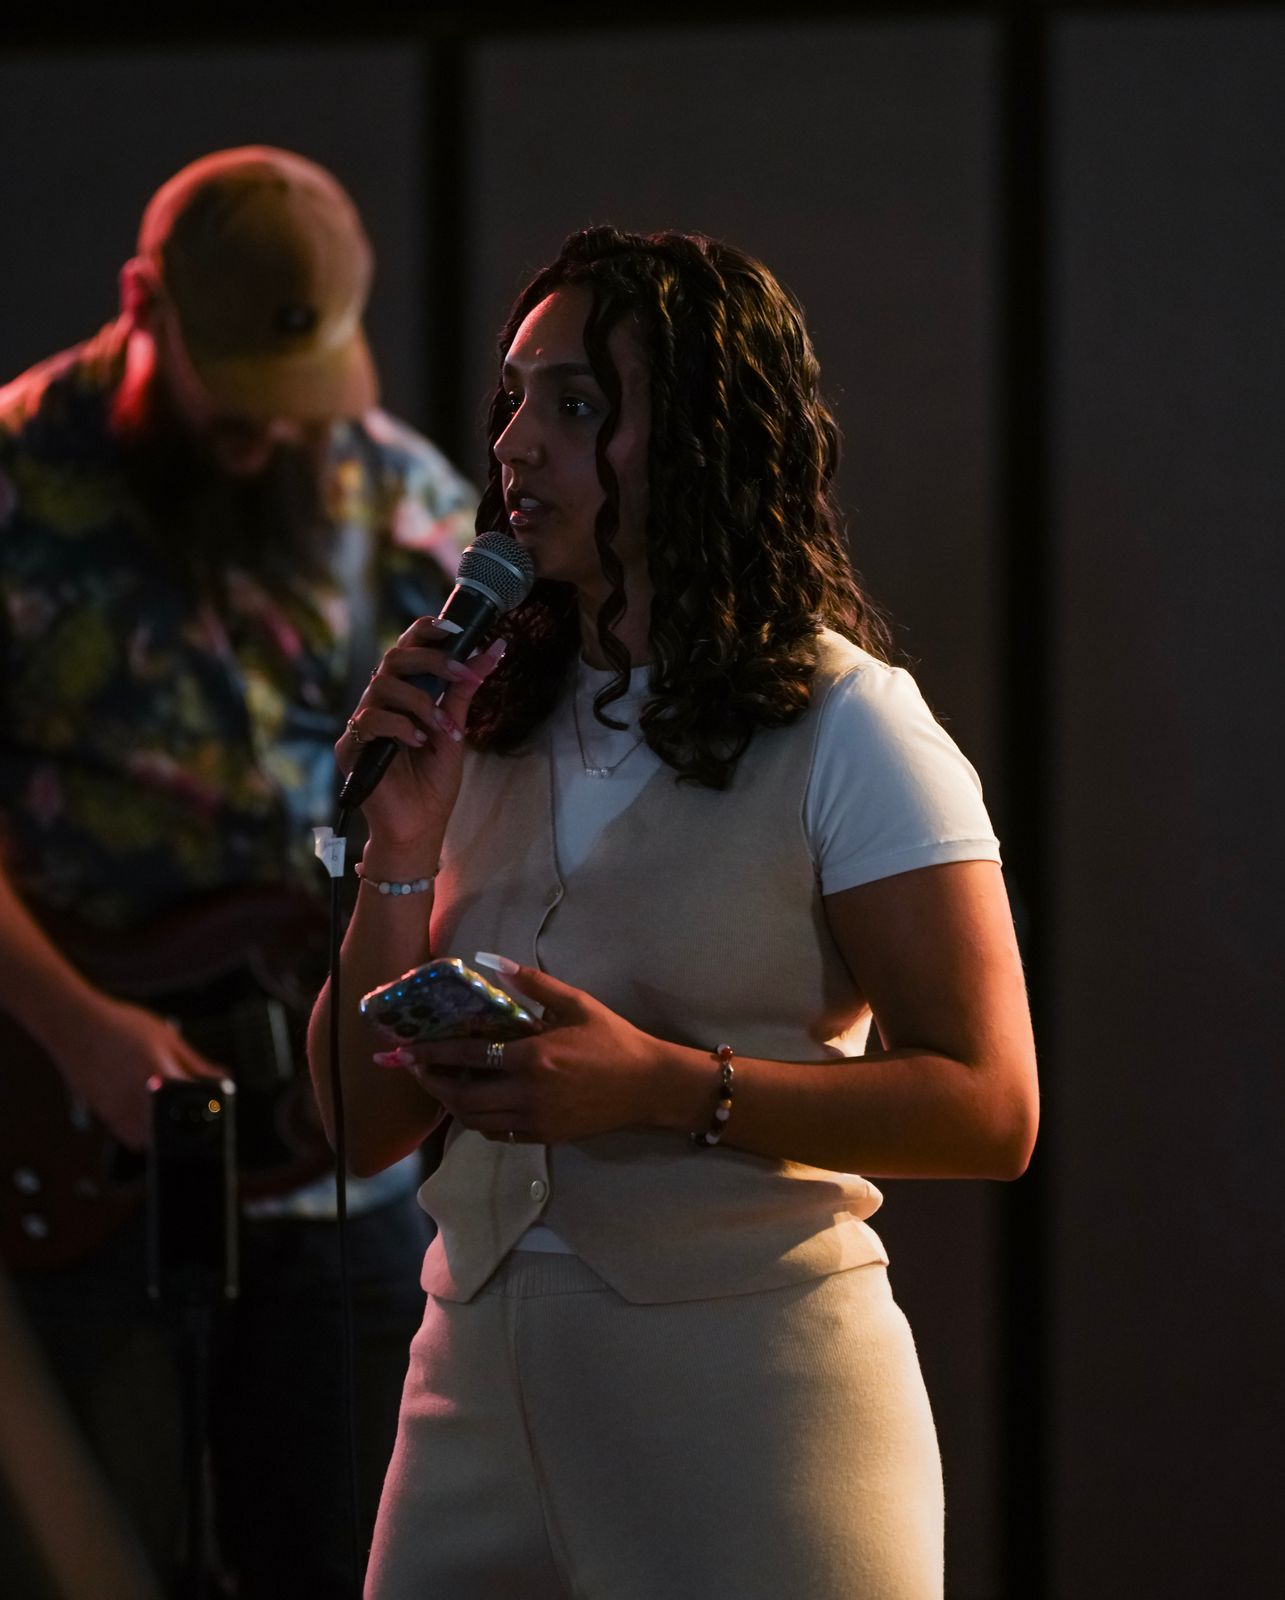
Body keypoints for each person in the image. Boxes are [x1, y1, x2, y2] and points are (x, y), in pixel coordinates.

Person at [309, 226, 1039, 1600]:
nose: (517, 444)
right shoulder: (483, 722)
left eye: (578, 404)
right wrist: (398, 852)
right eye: (513, 398)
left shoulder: (848, 726)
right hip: (472, 1394)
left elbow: (989, 1109)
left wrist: (658, 1085)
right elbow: (359, 1125)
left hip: (749, 1402)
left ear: (704, 442)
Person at [0, 147, 476, 1597]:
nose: (271, 434)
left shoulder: (399, 493)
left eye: (300, 396)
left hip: (332, 1165)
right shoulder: (16, 479)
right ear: (142, 303)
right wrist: (82, 1028)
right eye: (237, 395)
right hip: (79, 1147)